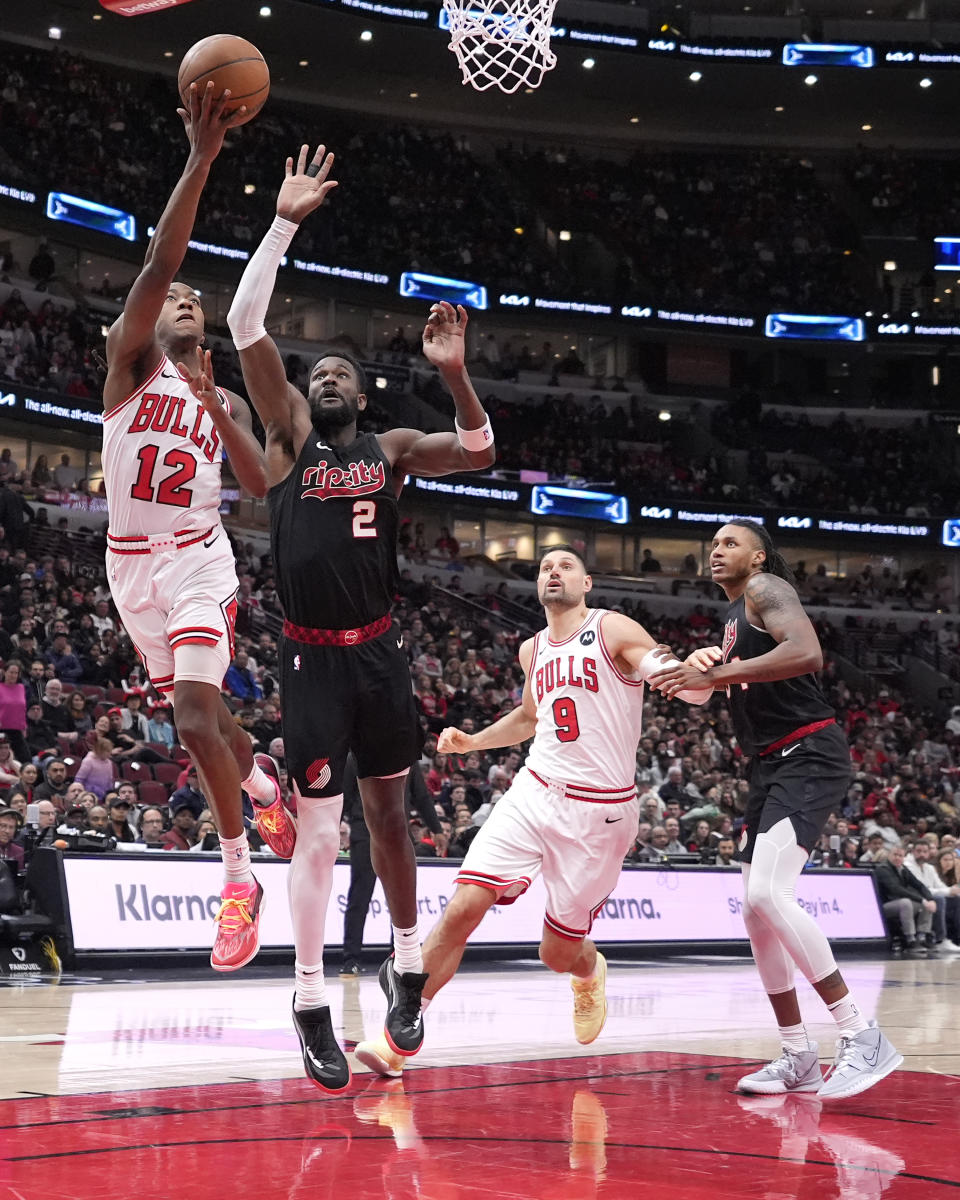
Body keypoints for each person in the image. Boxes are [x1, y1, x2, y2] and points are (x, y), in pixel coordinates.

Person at [226, 142, 496, 1093]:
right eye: (320, 371)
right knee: (319, 832)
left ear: (366, 393)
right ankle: (307, 1001)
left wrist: (456, 372)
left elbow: (479, 448)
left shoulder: (389, 445)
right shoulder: (292, 435)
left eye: (343, 371)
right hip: (309, 660)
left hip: (379, 653)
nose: (329, 377)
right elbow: (245, 320)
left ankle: (408, 963)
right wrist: (284, 220)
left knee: (393, 816)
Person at [354, 544, 711, 1078]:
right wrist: (473, 742)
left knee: (556, 954)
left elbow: (672, 676)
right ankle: (400, 1032)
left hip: (600, 815)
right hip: (534, 792)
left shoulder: (613, 629)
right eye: (546, 566)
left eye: (566, 566)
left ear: (586, 583)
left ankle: (588, 969)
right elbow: (529, 717)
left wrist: (691, 672)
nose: (554, 572)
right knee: (462, 908)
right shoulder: (532, 650)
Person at [99, 81, 282, 973]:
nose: (185, 305)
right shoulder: (130, 367)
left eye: (195, 307)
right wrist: (200, 159)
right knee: (206, 733)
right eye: (178, 302)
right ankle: (262, 780)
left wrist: (224, 410)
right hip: (132, 568)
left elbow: (261, 484)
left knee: (194, 716)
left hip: (202, 560)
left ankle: (238, 877)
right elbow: (158, 264)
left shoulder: (218, 391)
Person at [649, 520, 901, 1102]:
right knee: (755, 915)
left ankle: (862, 1034)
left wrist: (719, 671)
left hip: (809, 749)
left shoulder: (767, 590)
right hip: (768, 764)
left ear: (759, 556)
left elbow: (808, 653)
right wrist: (701, 670)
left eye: (730, 543)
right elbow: (721, 679)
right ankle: (797, 1054)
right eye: (712, 544)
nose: (717, 551)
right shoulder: (734, 620)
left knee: (768, 895)